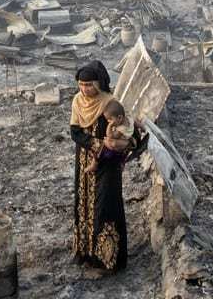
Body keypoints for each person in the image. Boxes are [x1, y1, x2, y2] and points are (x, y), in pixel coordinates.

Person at [70, 61, 147, 273]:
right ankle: (86, 254)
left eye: (89, 85)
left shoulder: (111, 103)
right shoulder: (77, 102)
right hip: (85, 162)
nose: (85, 90)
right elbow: (74, 132)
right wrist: (96, 144)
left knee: (106, 206)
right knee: (83, 206)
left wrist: (118, 144)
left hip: (109, 166)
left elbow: (133, 133)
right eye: (81, 84)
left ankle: (108, 260)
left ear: (99, 83)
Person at [85, 99, 133, 174]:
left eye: (110, 119)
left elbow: (110, 135)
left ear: (120, 117)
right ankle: (121, 163)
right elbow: (136, 122)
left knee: (101, 148)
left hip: (118, 146)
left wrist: (109, 126)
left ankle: (94, 164)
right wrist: (143, 128)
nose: (108, 121)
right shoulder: (129, 119)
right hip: (124, 146)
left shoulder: (121, 129)